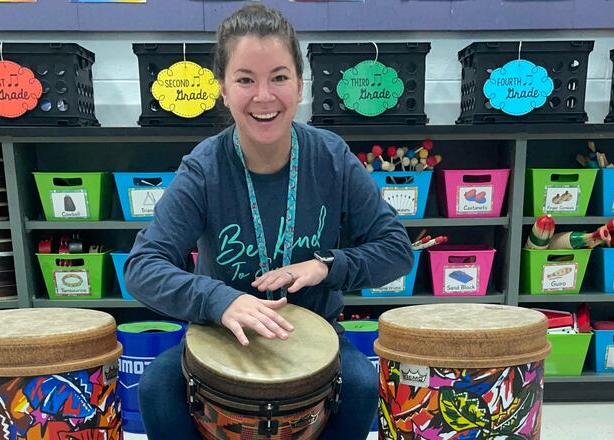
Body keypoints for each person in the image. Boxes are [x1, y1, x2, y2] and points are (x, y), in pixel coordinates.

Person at [124, 4, 413, 439]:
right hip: (220, 335)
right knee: (158, 387)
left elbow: (397, 249)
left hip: (314, 333)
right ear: (223, 89)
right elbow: (142, 267)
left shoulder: (330, 157)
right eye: (245, 80)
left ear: (300, 85)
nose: (263, 96)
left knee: (360, 384)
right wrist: (219, 300)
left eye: (279, 77)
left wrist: (327, 266)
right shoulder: (204, 167)